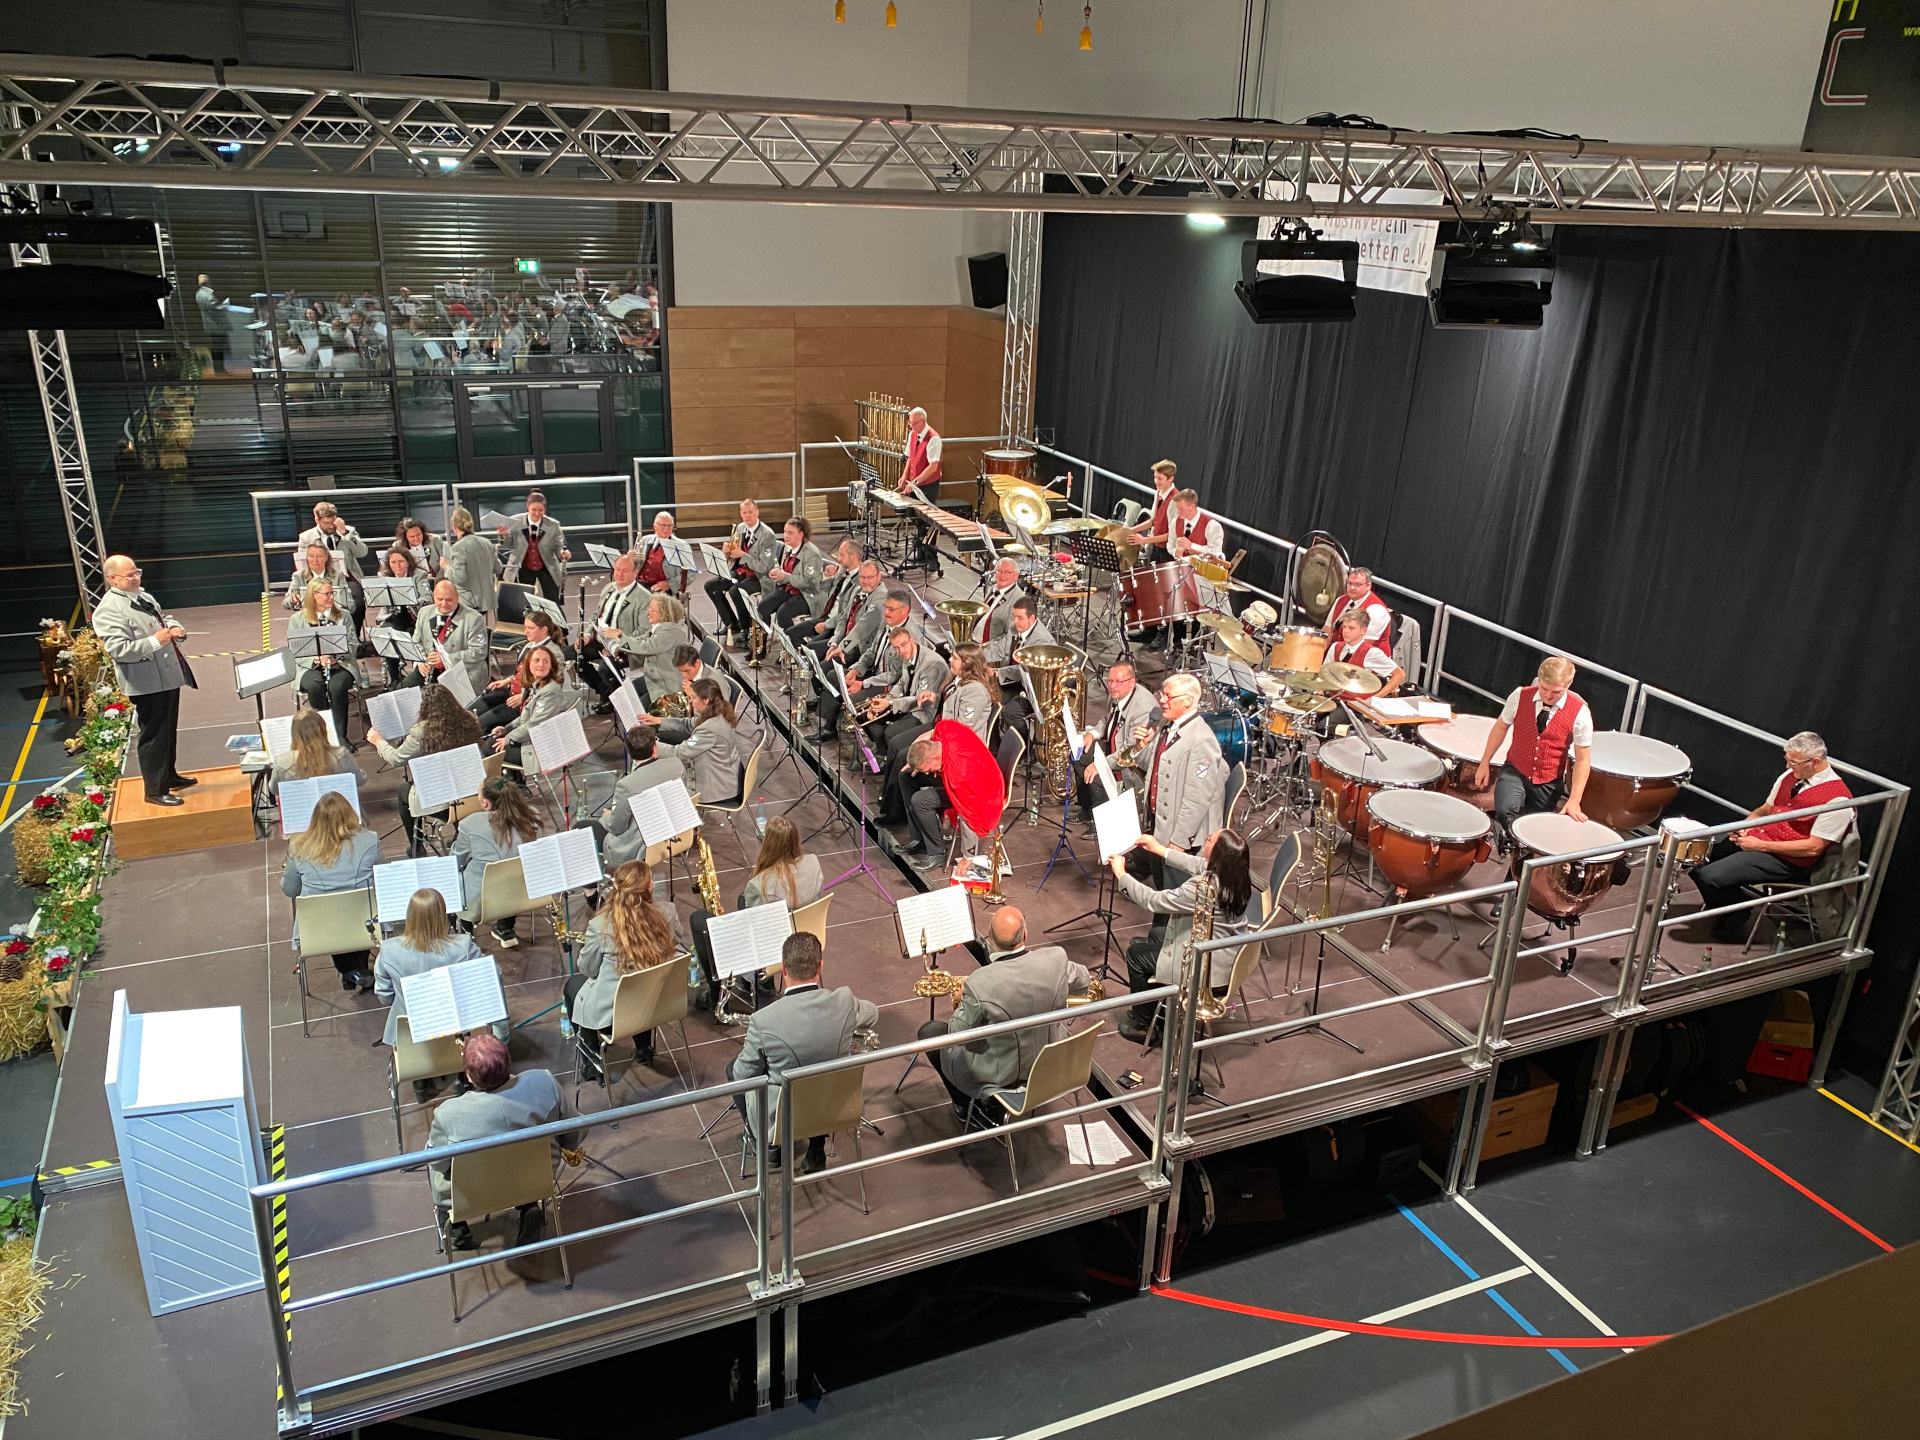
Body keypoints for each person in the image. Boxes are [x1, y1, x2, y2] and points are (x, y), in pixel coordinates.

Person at [915, 907, 1089, 1124]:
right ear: (1025, 935)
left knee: (931, 1032)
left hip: (1002, 1078)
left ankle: (967, 1106)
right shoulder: (1055, 960)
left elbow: (957, 1033)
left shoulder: (979, 983)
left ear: (990, 938)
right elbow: (1083, 981)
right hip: (1049, 1067)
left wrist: (961, 1000)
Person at [728, 932, 878, 1171]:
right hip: (837, 1108)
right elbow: (872, 1014)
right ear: (820, 967)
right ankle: (816, 1147)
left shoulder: (763, 1020)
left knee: (734, 1069)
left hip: (786, 1118)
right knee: (819, 1068)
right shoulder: (845, 1002)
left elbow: (742, 1075)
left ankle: (771, 1149)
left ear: (784, 969)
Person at [1691, 732, 1854, 939]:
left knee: (1709, 876)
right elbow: (1765, 810)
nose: (1788, 767)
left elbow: (1814, 848)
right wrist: (1745, 826)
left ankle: (1737, 912)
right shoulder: (1789, 777)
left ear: (1815, 761)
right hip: (1760, 839)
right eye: (1787, 760)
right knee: (1695, 857)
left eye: (1793, 762)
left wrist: (1759, 845)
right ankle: (1727, 904)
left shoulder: (1838, 801)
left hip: (1789, 860)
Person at [426, 1034, 581, 1251]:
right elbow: (576, 1129)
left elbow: (439, 1164)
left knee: (433, 1162)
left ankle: (457, 1229)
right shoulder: (544, 1082)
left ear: (469, 1076)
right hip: (535, 1179)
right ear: (509, 1062)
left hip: (474, 1193)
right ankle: (528, 1205)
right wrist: (568, 1147)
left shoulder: (448, 1114)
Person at [1112, 828, 1257, 1043]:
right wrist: (1160, 850)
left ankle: (1143, 1026)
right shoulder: (1236, 876)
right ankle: (1158, 1003)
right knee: (1156, 935)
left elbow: (1154, 901)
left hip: (1207, 971)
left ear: (1217, 854)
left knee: (1136, 955)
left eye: (1210, 840)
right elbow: (1197, 864)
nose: (1206, 839)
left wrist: (1122, 875)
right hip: (1226, 955)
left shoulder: (1202, 888)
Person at [689, 814, 823, 1009]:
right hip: (807, 939)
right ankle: (764, 983)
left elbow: (755, 928)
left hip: (774, 950)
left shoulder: (759, 885)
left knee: (699, 919)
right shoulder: (813, 863)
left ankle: (718, 994)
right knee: (742, 899)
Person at [93, 555, 196, 805]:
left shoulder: (143, 597)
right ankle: (155, 790)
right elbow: (118, 649)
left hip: (166, 676)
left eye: (137, 572)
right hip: (146, 681)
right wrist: (154, 641)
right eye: (129, 575)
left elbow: (163, 617)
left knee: (167, 729)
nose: (136, 578)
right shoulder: (109, 609)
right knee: (154, 735)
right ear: (112, 579)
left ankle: (168, 775)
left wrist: (175, 627)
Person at [566, 860, 682, 1076]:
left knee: (573, 986)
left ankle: (592, 1063)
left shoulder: (600, 925)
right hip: (657, 1004)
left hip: (613, 1018)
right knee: (642, 979)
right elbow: (676, 941)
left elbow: (587, 970)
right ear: (649, 887)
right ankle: (644, 1049)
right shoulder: (667, 912)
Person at [1473, 656, 1593, 835]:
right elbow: (1501, 727)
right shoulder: (1520, 696)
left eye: (1556, 692)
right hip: (1516, 769)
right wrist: (1484, 762)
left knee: (1536, 829)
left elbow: (1583, 760)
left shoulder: (1580, 712)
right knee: (1506, 810)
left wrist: (1574, 800)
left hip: (1549, 780)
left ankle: (1519, 849)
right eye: (1544, 689)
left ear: (1569, 684)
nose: (1548, 695)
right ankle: (1510, 839)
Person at [879, 641, 992, 827]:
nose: (950, 660)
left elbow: (961, 730)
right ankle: (890, 802)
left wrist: (931, 736)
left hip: (954, 746)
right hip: (941, 728)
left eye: (955, 658)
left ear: (967, 662)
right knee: (896, 744)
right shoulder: (958, 679)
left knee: (904, 756)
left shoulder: (976, 692)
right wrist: (934, 696)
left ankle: (895, 812)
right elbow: (953, 704)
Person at [368, 682, 486, 854]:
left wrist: (378, 742)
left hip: (442, 802)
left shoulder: (421, 731)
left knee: (403, 792)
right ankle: (459, 834)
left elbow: (396, 758)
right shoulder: (468, 719)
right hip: (471, 795)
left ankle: (416, 846)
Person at [373, 888, 498, 1049]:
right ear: (442, 915)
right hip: (457, 1037)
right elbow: (492, 976)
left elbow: (384, 995)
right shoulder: (463, 946)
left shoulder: (388, 950)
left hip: (409, 1039)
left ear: (410, 916)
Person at [280, 790, 380, 991]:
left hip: (319, 932)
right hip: (365, 925)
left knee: (332, 913)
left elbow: (289, 889)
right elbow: (383, 877)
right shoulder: (370, 840)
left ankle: (351, 972)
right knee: (357, 909)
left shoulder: (299, 847)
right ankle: (356, 970)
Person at [1140, 673, 1225, 868]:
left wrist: (1179, 841)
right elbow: (1153, 769)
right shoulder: (1167, 724)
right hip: (1160, 825)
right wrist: (1142, 746)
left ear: (1188, 701)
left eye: (1169, 696)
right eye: (1163, 694)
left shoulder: (1202, 740)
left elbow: (1196, 799)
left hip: (1181, 839)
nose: (1162, 700)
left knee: (1170, 883)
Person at [902, 720, 1005, 873]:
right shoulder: (947, 729)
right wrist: (917, 758)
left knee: (920, 800)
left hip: (983, 794)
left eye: (928, 769)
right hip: (973, 776)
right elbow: (929, 734)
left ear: (936, 758)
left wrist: (968, 856)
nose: (928, 772)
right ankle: (920, 839)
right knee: (906, 776)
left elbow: (969, 813)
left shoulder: (959, 776)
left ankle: (937, 853)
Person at [452, 777, 545, 948]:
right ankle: (505, 927)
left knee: (455, 877)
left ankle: (467, 939)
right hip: (523, 893)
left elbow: (456, 861)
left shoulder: (470, 824)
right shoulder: (532, 814)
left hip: (482, 903)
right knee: (509, 868)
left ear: (485, 803)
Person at [810, 576, 902, 741]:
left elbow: (895, 676)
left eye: (891, 609)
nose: (886, 612)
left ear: (904, 610)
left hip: (888, 684)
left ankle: (879, 743)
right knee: (833, 676)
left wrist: (863, 683)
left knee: (853, 700)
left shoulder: (908, 636)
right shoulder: (887, 623)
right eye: (886, 608)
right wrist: (856, 670)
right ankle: (829, 728)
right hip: (874, 672)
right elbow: (872, 651)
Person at [1076, 659, 1163, 829]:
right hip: (1112, 747)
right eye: (1110, 681)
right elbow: (1107, 720)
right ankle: (1088, 809)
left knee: (1096, 774)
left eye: (1118, 682)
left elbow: (1130, 750)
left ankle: (1102, 824)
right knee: (1079, 753)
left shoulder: (1142, 709)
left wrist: (1101, 765)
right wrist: (1092, 734)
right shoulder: (1118, 694)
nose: (1112, 686)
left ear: (1131, 682)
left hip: (1130, 767)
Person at [590, 726, 688, 868]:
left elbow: (617, 827)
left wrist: (605, 817)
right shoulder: (677, 765)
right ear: (654, 748)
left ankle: (595, 883)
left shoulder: (626, 785)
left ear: (630, 753)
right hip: (675, 836)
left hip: (639, 847)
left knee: (582, 827)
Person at [648, 677, 744, 805]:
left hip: (716, 789)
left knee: (664, 795)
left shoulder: (709, 729)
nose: (690, 701)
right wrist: (659, 721)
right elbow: (689, 723)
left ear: (705, 700)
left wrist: (651, 745)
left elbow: (680, 752)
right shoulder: (718, 711)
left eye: (693, 698)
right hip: (724, 776)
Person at [472, 609, 573, 732]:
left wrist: (524, 697)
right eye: (526, 627)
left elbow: (550, 685)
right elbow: (523, 671)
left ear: (544, 630)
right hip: (512, 693)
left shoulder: (553, 653)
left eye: (531, 628)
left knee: (480, 723)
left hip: (525, 704)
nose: (526, 632)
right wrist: (508, 680)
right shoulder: (530, 645)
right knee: (473, 711)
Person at [489, 643, 578, 775]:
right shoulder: (535, 685)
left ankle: (513, 784)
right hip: (532, 739)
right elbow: (526, 717)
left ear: (551, 666)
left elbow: (534, 725)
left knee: (489, 748)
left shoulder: (550, 691)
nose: (541, 665)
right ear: (528, 664)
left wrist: (507, 738)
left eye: (545, 661)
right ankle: (513, 782)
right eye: (536, 660)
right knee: (493, 741)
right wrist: (506, 729)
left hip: (541, 750)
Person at [289, 577, 357, 748]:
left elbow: (353, 644)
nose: (331, 597)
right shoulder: (297, 619)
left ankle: (340, 735)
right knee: (314, 686)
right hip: (309, 666)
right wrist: (315, 659)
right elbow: (294, 652)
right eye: (327, 594)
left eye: (332, 593)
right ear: (314, 595)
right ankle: (322, 734)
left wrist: (335, 655)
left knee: (337, 686)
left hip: (340, 663)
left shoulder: (344, 616)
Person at [708, 497, 780, 648]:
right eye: (744, 512)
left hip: (760, 577)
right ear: (741, 513)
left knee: (736, 591)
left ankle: (746, 629)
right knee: (711, 586)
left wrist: (742, 555)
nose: (747, 515)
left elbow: (765, 567)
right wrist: (728, 551)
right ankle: (731, 623)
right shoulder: (740, 528)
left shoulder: (767, 535)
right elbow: (734, 556)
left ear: (757, 512)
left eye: (750, 512)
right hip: (741, 571)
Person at [578, 549, 647, 702]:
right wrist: (587, 634)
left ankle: (615, 701)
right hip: (601, 640)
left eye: (625, 571)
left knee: (606, 668)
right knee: (572, 654)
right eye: (617, 569)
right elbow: (596, 615)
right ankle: (604, 691)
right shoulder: (608, 588)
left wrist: (616, 646)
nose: (619, 574)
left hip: (624, 647)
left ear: (635, 573)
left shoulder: (644, 597)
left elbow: (643, 631)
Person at [985, 596, 1056, 739]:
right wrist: (976, 655)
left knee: (1010, 712)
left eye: (1019, 618)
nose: (1015, 621)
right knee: (986, 695)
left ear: (1032, 618)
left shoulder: (1041, 641)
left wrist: (997, 673)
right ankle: (993, 744)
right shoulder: (1015, 629)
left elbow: (1025, 671)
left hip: (1034, 689)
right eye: (1014, 616)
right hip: (1016, 681)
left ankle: (1023, 747)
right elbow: (1000, 649)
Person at [412, 579, 491, 697]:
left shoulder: (474, 619)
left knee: (439, 702)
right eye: (439, 599)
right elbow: (416, 641)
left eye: (449, 600)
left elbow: (479, 651)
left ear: (457, 598)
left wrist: (445, 658)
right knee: (403, 691)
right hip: (428, 668)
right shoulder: (424, 612)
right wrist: (421, 661)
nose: (444, 604)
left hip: (460, 672)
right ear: (433, 598)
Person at [267, 707, 362, 801]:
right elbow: (360, 780)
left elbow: (274, 789)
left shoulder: (281, 762)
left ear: (294, 734)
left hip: (300, 809)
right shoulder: (341, 755)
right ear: (321, 730)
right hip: (337, 809)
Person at [299, 501, 369, 627]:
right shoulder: (306, 537)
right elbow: (304, 564)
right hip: (319, 579)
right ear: (317, 520)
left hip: (348, 578)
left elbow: (362, 553)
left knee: (357, 602)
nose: (331, 526)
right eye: (326, 523)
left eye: (333, 521)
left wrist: (345, 533)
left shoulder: (348, 531)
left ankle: (353, 635)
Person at [654, 644, 740, 745]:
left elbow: (685, 748)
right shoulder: (691, 675)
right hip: (693, 722)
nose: (684, 675)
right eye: (681, 671)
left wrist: (692, 694)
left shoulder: (714, 681)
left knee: (657, 736)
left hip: (700, 731)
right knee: (654, 721)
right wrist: (659, 720)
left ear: (697, 662)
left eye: (686, 671)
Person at [757, 517, 830, 630]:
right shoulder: (788, 547)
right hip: (789, 588)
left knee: (783, 613)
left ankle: (791, 640)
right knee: (763, 607)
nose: (786, 536)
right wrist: (777, 572)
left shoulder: (812, 554)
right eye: (785, 531)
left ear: (800, 535)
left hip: (807, 594)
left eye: (790, 533)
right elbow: (785, 569)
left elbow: (809, 582)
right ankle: (762, 639)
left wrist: (785, 576)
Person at [499, 489, 571, 604]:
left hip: (547, 567)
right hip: (522, 567)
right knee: (523, 603)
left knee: (553, 601)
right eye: (534, 510)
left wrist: (562, 553)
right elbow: (508, 544)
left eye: (541, 510)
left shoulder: (553, 525)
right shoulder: (515, 521)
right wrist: (503, 535)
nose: (537, 514)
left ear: (545, 509)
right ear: (527, 507)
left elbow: (559, 545)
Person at [897, 405, 945, 575]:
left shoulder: (933, 439)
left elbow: (933, 466)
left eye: (914, 423)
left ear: (923, 421)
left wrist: (915, 481)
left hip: (927, 485)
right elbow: (910, 457)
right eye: (910, 423)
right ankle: (921, 553)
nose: (911, 426)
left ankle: (932, 559)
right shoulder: (912, 435)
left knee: (928, 521)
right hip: (914, 482)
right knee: (917, 519)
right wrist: (904, 476)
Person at [788, 537, 862, 646]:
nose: (838, 558)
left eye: (842, 555)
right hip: (826, 617)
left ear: (853, 557)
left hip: (837, 625)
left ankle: (805, 654)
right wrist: (827, 576)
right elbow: (823, 588)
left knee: (810, 647)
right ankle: (801, 654)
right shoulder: (843, 570)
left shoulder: (861, 581)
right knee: (790, 634)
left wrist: (826, 625)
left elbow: (847, 614)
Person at [620, 594, 691, 707]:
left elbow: (646, 647)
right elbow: (640, 640)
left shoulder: (669, 632)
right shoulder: (657, 628)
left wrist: (619, 638)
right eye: (648, 608)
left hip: (667, 684)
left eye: (652, 610)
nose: (648, 612)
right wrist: (619, 641)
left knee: (637, 705)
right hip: (656, 677)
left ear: (664, 613)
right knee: (626, 694)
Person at [369, 548, 425, 687]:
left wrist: (411, 601)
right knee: (388, 636)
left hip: (413, 618)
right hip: (391, 616)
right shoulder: (383, 576)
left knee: (413, 635)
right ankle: (394, 678)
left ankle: (416, 677)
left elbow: (427, 598)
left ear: (408, 562)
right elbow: (377, 599)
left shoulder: (419, 575)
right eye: (393, 562)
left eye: (401, 561)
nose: (397, 565)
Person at [1323, 605, 1405, 696]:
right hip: (1332, 698)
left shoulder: (1372, 653)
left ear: (1363, 630)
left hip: (1355, 702)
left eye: (1351, 628)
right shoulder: (1335, 646)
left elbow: (1399, 674)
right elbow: (1325, 672)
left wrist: (1375, 698)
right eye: (1345, 627)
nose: (1345, 631)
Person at [442, 507, 499, 614]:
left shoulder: (458, 547)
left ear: (454, 527)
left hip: (469, 603)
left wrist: (447, 566)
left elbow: (459, 578)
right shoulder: (486, 542)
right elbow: (498, 568)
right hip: (488, 601)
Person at [1128, 459, 1180, 562]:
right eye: (1155, 477)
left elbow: (1171, 535)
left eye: (1160, 478)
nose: (1156, 481)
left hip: (1168, 551)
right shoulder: (1158, 492)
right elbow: (1154, 520)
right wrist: (1131, 530)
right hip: (1156, 546)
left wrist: (1145, 540)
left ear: (1170, 479)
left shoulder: (1175, 500)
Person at [1324, 565, 1391, 645]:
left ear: (1368, 586)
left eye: (1358, 584)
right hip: (1337, 649)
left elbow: (1364, 646)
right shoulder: (1340, 600)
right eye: (1350, 583)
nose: (1352, 587)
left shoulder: (1376, 610)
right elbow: (1327, 631)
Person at [633, 509, 688, 598]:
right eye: (663, 525)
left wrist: (669, 584)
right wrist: (631, 559)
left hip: (661, 588)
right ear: (655, 526)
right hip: (640, 583)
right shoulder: (645, 540)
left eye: (670, 525)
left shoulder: (681, 546)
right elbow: (635, 565)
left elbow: (690, 574)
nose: (666, 529)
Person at [283, 540, 348, 614]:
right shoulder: (298, 576)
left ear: (326, 557)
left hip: (333, 615)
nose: (315, 560)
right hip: (307, 617)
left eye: (319, 556)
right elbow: (285, 603)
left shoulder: (338, 575)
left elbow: (349, 604)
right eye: (311, 556)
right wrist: (292, 600)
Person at [973, 559, 1023, 646]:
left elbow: (1010, 635)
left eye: (1007, 572)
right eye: (999, 570)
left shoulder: (1018, 600)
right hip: (974, 639)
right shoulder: (994, 588)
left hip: (988, 648)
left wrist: (984, 647)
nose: (1002, 575)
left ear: (1016, 576)